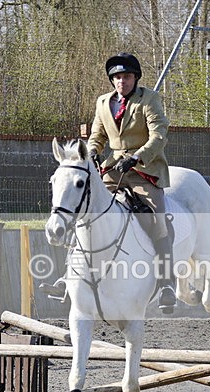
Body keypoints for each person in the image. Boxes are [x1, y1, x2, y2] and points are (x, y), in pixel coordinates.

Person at [42, 52, 176, 313]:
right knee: (85, 214)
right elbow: (97, 135)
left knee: (158, 220)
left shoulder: (149, 99)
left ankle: (167, 283)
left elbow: (159, 135)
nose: (121, 81)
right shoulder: (103, 102)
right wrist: (92, 152)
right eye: (116, 77)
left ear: (135, 78)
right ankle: (67, 277)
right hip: (112, 170)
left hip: (144, 171)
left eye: (125, 77)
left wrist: (137, 157)